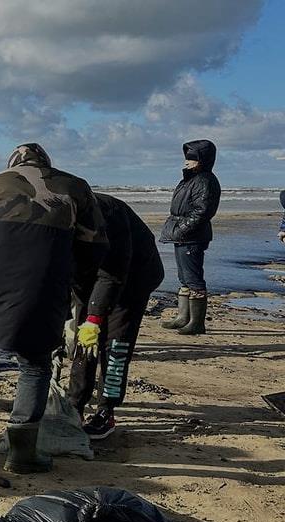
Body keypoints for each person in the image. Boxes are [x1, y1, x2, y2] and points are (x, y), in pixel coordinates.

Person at [0, 143, 107, 474]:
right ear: (47, 164)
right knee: (35, 363)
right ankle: (22, 451)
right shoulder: (76, 186)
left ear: (13, 163)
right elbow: (95, 245)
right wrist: (71, 278)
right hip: (43, 283)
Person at [67, 193, 164, 440]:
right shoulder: (55, 217)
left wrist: (95, 318)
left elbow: (113, 274)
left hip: (133, 276)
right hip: (92, 277)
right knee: (82, 342)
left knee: (116, 343)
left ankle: (106, 410)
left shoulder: (110, 216)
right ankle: (74, 405)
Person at [159, 140, 220, 336]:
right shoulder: (190, 179)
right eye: (187, 158)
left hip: (192, 236)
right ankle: (183, 317)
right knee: (184, 277)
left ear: (201, 160)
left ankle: (196, 323)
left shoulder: (205, 180)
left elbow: (203, 211)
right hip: (182, 234)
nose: (186, 161)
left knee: (193, 278)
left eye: (192, 158)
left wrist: (182, 229)